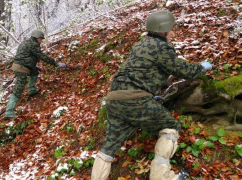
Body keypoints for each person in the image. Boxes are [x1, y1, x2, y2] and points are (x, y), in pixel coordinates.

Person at [91, 10, 212, 180]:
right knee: (171, 128)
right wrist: (202, 68)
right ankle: (162, 177)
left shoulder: (140, 44)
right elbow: (181, 69)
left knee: (108, 147)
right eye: (171, 29)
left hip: (114, 99)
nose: (173, 32)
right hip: (135, 100)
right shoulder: (161, 46)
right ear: (163, 30)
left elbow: (141, 72)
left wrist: (148, 93)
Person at [4, 30, 66, 120]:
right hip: (21, 68)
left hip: (20, 65)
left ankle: (32, 90)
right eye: (41, 39)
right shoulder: (33, 45)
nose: (41, 41)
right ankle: (9, 112)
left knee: (34, 73)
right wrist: (56, 63)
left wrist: (33, 65)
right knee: (18, 89)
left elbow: (24, 56)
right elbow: (42, 56)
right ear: (37, 38)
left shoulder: (26, 43)